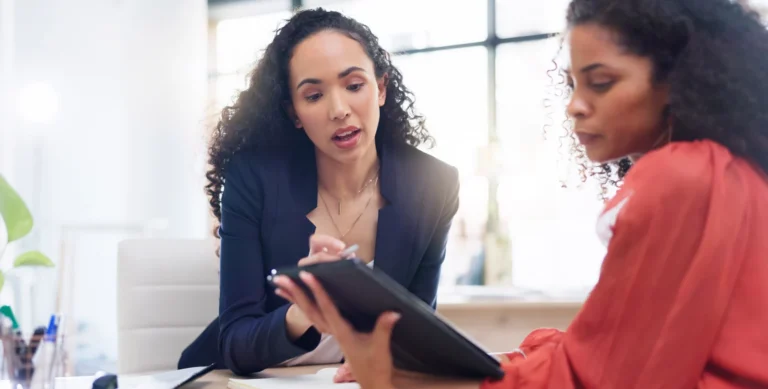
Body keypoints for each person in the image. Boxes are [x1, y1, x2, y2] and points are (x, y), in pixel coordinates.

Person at [274, 0, 768, 387]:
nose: (574, 106)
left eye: (600, 83)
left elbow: (610, 374)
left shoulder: (679, 177)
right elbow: (616, 346)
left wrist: (411, 381)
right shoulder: (728, 171)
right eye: (573, 83)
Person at [178, 7, 460, 378]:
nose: (339, 110)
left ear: (381, 88)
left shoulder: (433, 185)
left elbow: (416, 333)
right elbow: (235, 341)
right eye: (313, 95)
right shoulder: (253, 179)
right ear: (294, 112)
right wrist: (302, 312)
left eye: (354, 86)